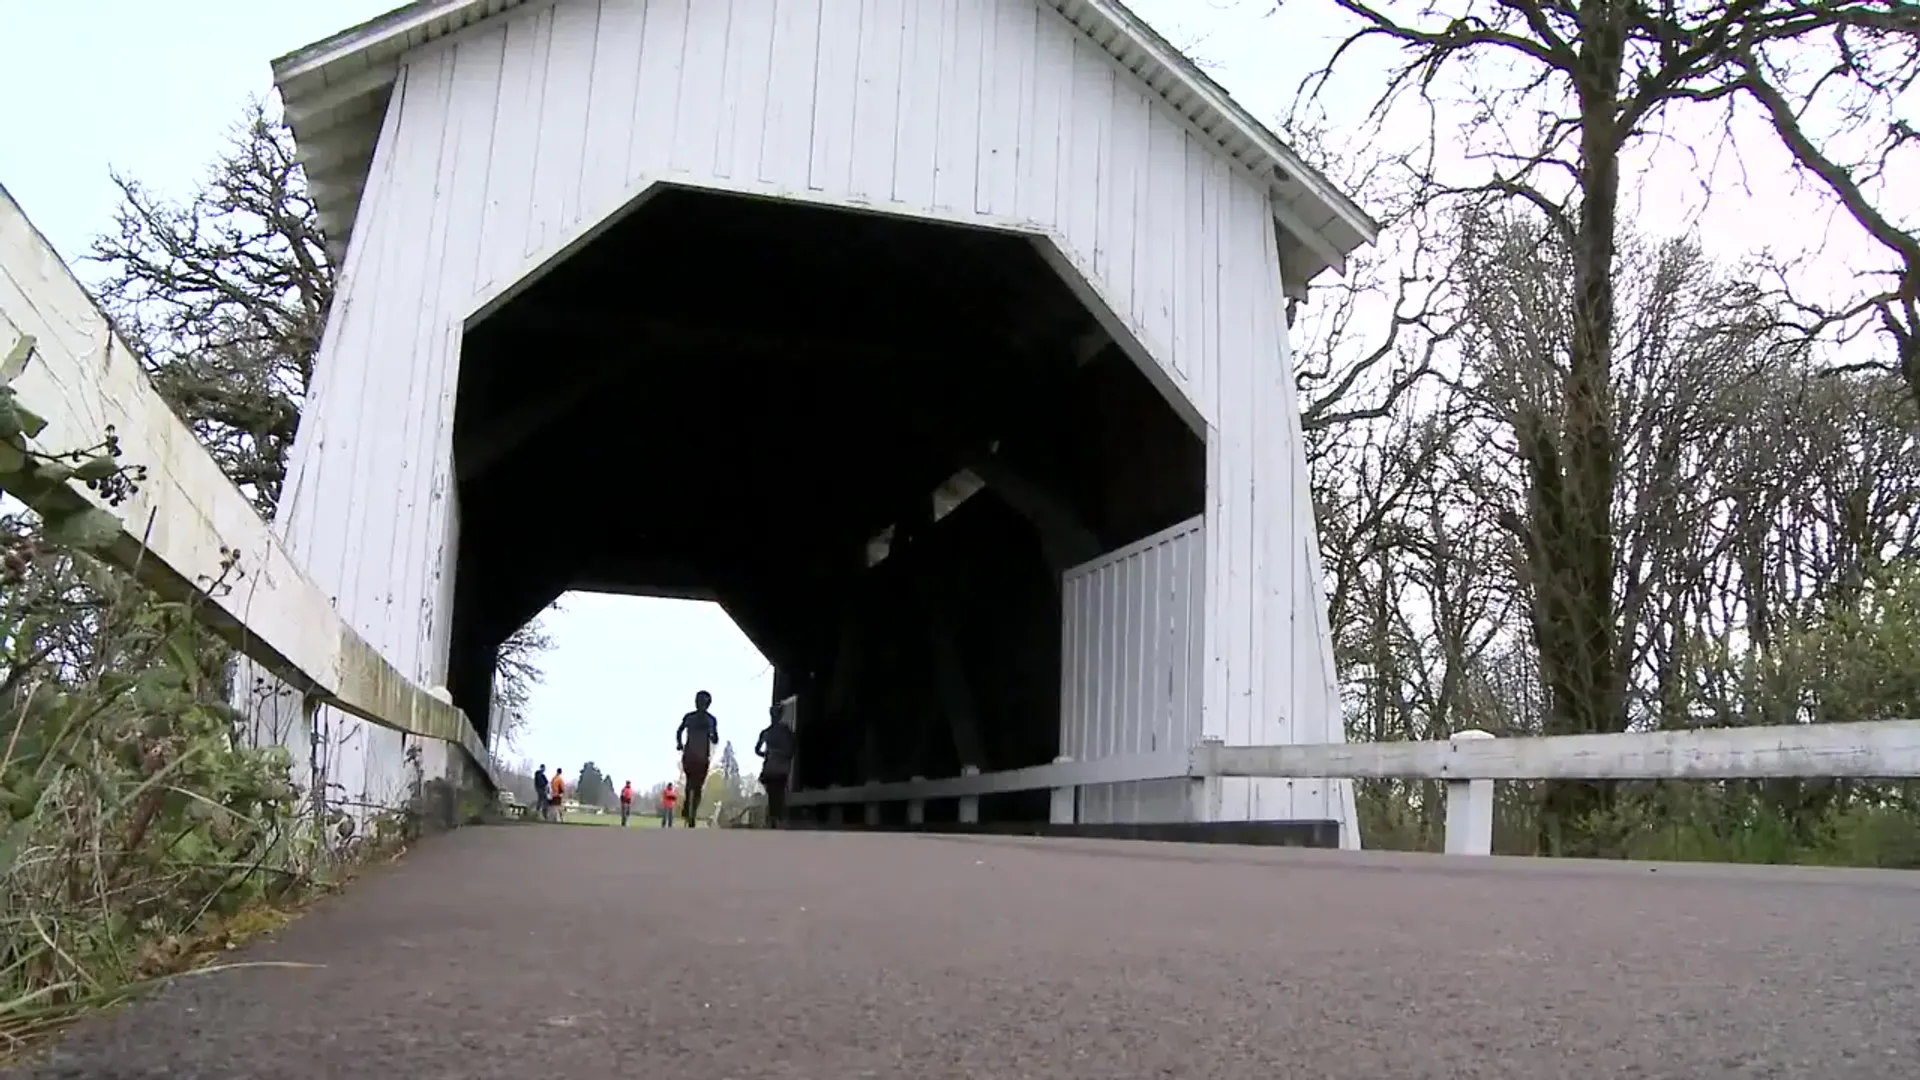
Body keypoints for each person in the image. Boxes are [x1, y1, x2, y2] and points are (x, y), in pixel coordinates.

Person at [675, 691, 719, 827]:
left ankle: (689, 807)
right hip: (701, 756)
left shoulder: (689, 717)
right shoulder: (711, 719)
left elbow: (679, 731)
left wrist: (679, 743)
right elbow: (715, 739)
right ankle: (691, 810)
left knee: (690, 783)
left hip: (690, 754)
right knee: (697, 786)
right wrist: (711, 736)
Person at [754, 704, 797, 828]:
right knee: (777, 792)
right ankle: (777, 817)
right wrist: (784, 755)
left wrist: (767, 754)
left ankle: (776, 817)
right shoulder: (784, 732)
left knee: (774, 792)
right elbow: (793, 747)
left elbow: (757, 750)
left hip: (773, 765)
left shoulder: (768, 732)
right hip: (778, 765)